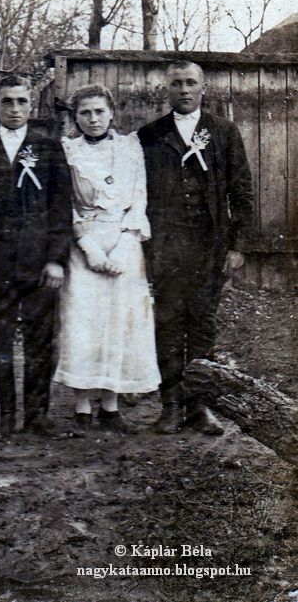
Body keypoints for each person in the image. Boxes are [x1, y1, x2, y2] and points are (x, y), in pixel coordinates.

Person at [137, 60, 255, 436]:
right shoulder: (150, 135)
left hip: (210, 247)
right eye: (177, 83)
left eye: (191, 83)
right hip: (167, 248)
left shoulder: (223, 131)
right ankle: (171, 406)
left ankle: (199, 407)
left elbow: (242, 190)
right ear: (167, 89)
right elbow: (138, 193)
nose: (184, 90)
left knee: (203, 326)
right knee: (168, 326)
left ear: (203, 87)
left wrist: (237, 245)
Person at [53, 85, 161, 435]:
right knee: (83, 324)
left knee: (120, 322)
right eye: (85, 113)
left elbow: (140, 198)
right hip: (84, 246)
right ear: (75, 118)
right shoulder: (68, 151)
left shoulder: (130, 148)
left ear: (111, 112)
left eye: (99, 111)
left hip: (124, 244)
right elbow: (64, 204)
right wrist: (90, 248)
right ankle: (82, 406)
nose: (93, 119)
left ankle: (111, 406)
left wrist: (125, 246)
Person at [0, 75, 73, 438]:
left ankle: (36, 415)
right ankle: (2, 415)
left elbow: (61, 208)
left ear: (32, 106)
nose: (14, 109)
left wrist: (56, 260)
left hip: (38, 261)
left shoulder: (48, 148)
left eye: (21, 101)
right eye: (7, 101)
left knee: (40, 338)